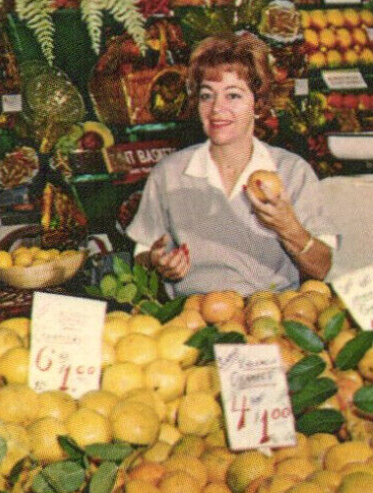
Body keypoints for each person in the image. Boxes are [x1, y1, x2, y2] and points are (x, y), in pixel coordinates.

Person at [125, 32, 336, 296]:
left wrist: (288, 227)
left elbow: (322, 268)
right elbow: (142, 258)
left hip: (269, 314)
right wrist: (157, 264)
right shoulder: (169, 174)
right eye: (206, 95)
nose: (216, 108)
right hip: (192, 318)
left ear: (257, 104)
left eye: (233, 96)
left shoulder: (291, 172)